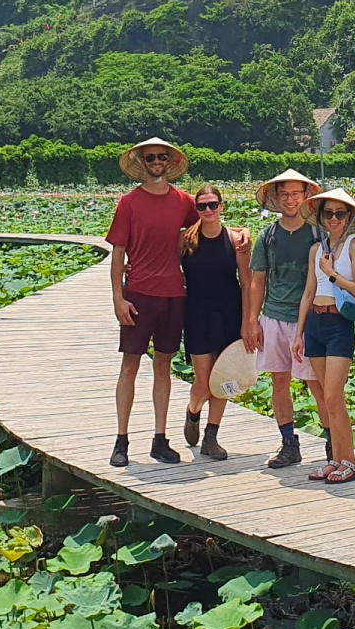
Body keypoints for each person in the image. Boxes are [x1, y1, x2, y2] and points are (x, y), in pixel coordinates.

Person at [105, 137, 198, 468]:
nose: (156, 162)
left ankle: (160, 439)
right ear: (140, 163)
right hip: (139, 294)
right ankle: (121, 440)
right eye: (150, 158)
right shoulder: (128, 203)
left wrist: (238, 236)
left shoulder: (184, 201)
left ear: (170, 162)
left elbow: (206, 222)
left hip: (174, 293)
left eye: (162, 157)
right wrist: (118, 297)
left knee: (164, 365)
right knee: (130, 365)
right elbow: (117, 253)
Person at [245, 168, 326, 469]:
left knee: (316, 383)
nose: (290, 200)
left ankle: (333, 443)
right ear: (275, 199)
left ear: (307, 197)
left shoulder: (320, 233)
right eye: (284, 194)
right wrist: (253, 320)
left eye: (296, 193)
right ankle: (288, 443)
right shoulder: (267, 236)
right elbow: (258, 280)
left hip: (310, 319)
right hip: (274, 316)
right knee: (279, 382)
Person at [296, 187, 355, 485]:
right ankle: (335, 460)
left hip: (339, 324)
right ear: (321, 216)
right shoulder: (316, 249)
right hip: (314, 323)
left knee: (333, 395)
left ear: (349, 216)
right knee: (326, 400)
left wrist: (332, 273)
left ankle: (349, 461)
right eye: (329, 213)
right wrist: (298, 332)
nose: (334, 218)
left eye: (340, 213)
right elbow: (308, 292)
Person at [179, 182, 251, 460]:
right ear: (196, 209)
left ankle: (212, 435)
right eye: (202, 206)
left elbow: (246, 282)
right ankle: (193, 410)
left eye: (213, 204)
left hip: (229, 313)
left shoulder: (236, 240)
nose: (208, 210)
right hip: (197, 313)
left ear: (221, 207)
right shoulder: (185, 240)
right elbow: (165, 265)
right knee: (203, 381)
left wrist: (249, 321)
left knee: (224, 379)